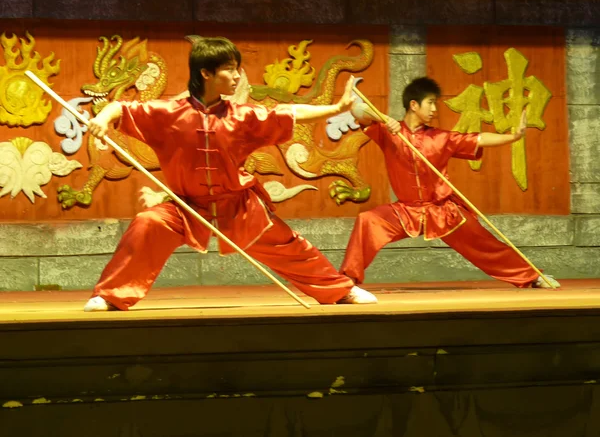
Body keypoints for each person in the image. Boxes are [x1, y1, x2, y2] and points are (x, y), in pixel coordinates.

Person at [83, 36, 377, 312]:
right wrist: (101, 118)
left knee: (289, 244)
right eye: (229, 70)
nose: (237, 76)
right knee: (147, 224)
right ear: (206, 74)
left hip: (238, 204)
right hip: (186, 205)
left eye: (237, 69)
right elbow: (120, 107)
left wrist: (336, 107)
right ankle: (110, 296)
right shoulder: (167, 113)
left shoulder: (242, 116)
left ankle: (340, 291)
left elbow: (288, 113)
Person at [340, 76, 560, 289]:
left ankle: (532, 276)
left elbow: (479, 139)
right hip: (406, 210)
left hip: (443, 210)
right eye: (431, 103)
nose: (435, 109)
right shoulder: (388, 132)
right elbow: (358, 111)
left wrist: (513, 137)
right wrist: (382, 118)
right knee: (367, 220)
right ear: (414, 105)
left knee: (485, 244)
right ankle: (347, 281)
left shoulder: (441, 138)